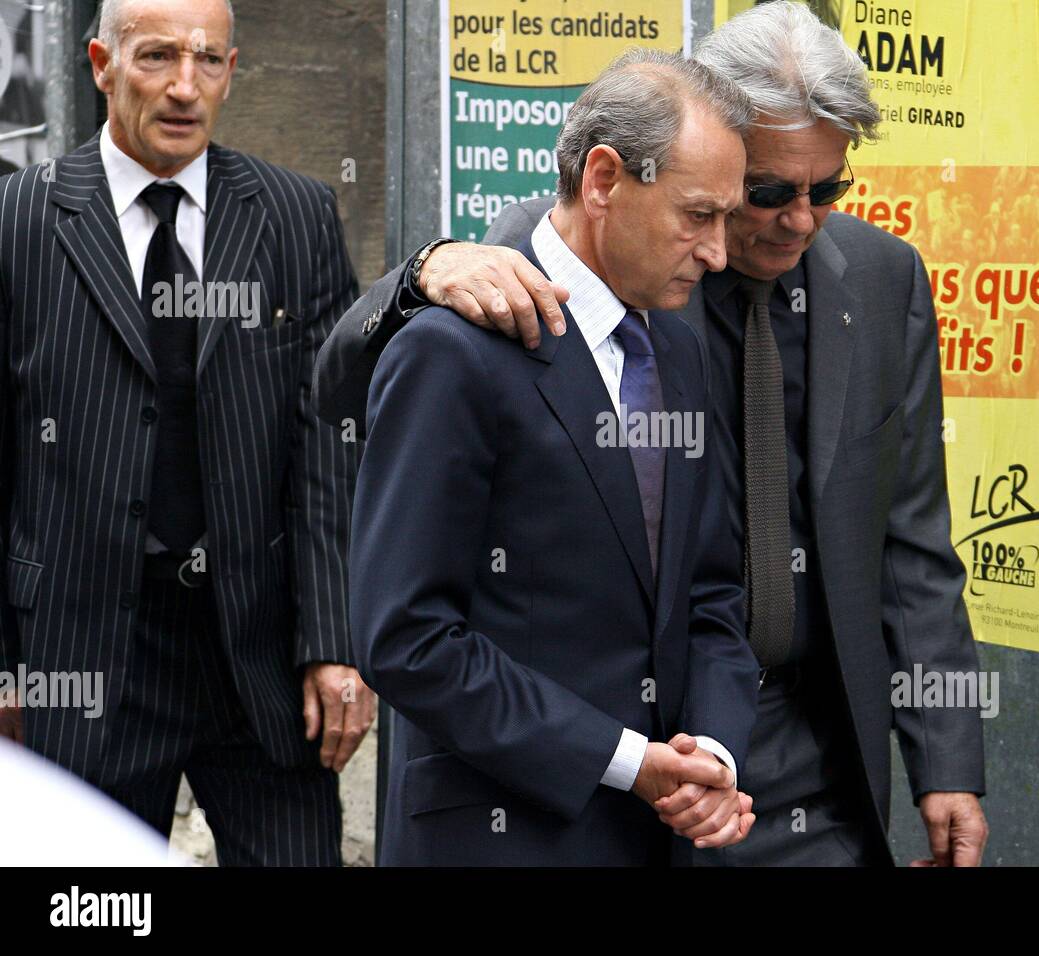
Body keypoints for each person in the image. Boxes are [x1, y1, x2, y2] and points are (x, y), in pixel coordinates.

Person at [315, 1, 990, 867]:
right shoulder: (560, 267)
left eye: (830, 189)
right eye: (769, 192)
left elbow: (910, 540)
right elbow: (357, 388)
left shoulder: (879, 280)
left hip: (799, 754)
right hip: (592, 779)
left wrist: (945, 759)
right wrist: (419, 272)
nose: (799, 219)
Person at [349, 49, 761, 866]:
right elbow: (407, 639)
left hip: (658, 841)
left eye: (728, 220)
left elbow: (709, 588)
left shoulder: (678, 348)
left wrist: (711, 753)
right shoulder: (453, 351)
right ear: (604, 180)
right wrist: (625, 761)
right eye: (697, 216)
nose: (719, 253)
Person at [0, 0, 372, 865]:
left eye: (208, 61)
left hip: (258, 663)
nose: (183, 86)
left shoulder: (295, 216)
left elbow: (328, 442)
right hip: (78, 656)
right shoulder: (18, 223)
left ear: (233, 72)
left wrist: (334, 644)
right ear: (100, 63)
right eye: (157, 56)